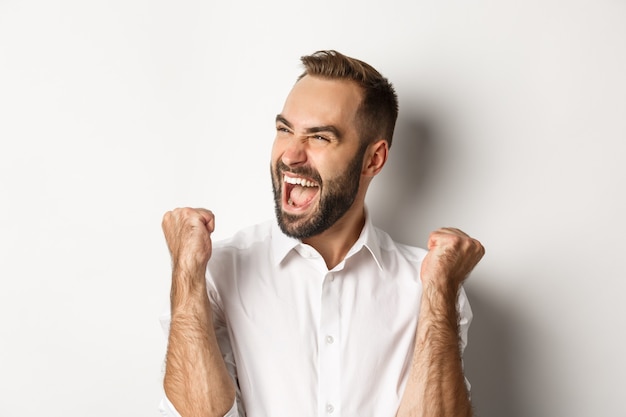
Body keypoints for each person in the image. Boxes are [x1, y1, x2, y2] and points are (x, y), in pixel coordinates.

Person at [159, 50, 485, 417]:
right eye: (285, 130)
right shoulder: (218, 269)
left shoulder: (428, 283)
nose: (291, 155)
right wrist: (186, 271)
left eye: (320, 137)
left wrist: (440, 289)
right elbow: (198, 412)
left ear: (373, 159)